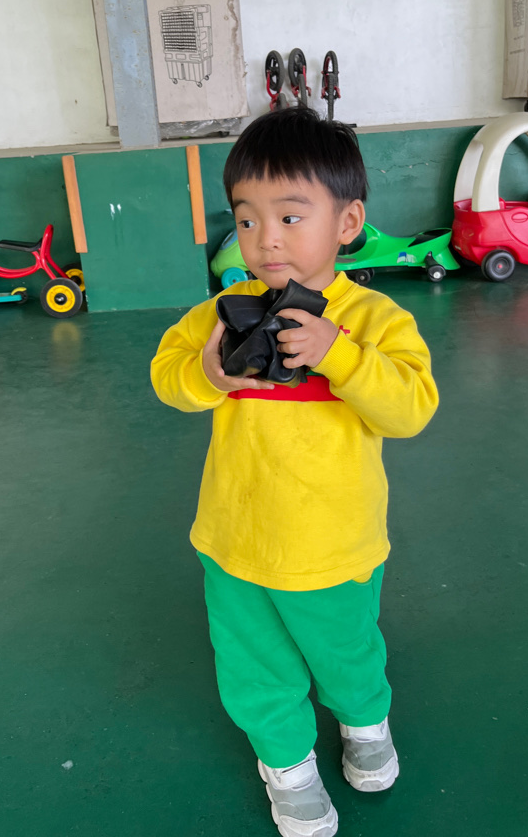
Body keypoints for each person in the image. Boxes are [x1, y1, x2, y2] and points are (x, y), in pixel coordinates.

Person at [150, 106, 438, 837]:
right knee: (254, 666)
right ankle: (287, 764)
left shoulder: (375, 320)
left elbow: (410, 408)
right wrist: (208, 373)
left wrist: (340, 353)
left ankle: (365, 723)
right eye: (246, 219)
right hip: (235, 540)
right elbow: (166, 375)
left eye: (289, 216)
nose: (265, 238)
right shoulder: (224, 314)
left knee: (346, 655)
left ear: (348, 222)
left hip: (333, 546)